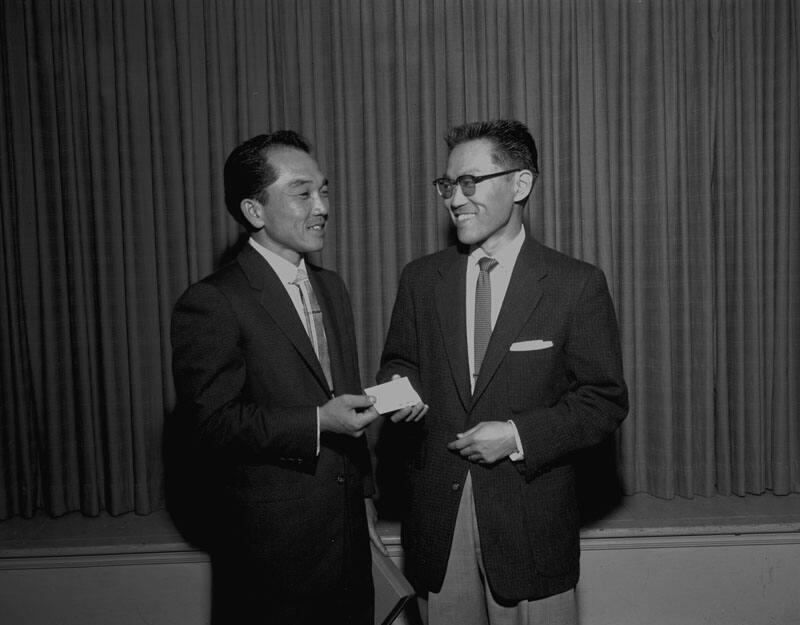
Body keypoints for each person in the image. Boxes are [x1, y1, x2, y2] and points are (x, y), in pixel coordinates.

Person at [377, 119, 628, 624]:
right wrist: (398, 391)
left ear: (521, 184)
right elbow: (400, 362)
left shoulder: (574, 285)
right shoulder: (422, 279)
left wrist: (516, 435)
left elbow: (603, 400)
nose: (454, 198)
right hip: (438, 524)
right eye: (448, 185)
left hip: (531, 525)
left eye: (470, 182)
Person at [171, 130, 382, 625]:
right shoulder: (213, 301)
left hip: (348, 540)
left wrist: (366, 498)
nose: (322, 206)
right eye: (302, 192)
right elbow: (209, 426)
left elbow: (342, 393)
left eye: (324, 190)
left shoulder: (332, 287)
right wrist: (317, 422)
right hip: (272, 555)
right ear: (255, 211)